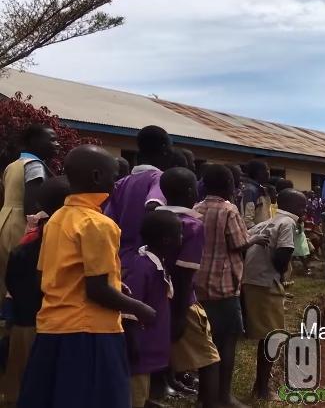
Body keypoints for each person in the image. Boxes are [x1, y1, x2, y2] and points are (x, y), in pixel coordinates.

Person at [19, 145, 156, 408]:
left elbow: (46, 276)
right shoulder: (98, 224)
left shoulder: (58, 218)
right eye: (113, 176)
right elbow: (97, 291)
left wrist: (116, 286)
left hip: (53, 327)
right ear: (96, 177)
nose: (116, 183)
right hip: (90, 332)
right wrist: (139, 308)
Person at [195, 164, 268, 408]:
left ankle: (204, 395)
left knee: (206, 343)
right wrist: (256, 238)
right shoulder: (229, 210)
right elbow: (239, 244)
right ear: (229, 186)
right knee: (227, 342)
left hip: (200, 285)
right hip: (225, 286)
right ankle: (223, 397)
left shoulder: (196, 208)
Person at [156, 167, 221, 408]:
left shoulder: (153, 218)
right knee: (209, 358)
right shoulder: (192, 226)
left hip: (156, 297)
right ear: (189, 191)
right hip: (184, 300)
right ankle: (210, 402)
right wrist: (182, 314)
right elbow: (184, 274)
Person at [2, 176, 68, 404]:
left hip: (24, 322)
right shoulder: (70, 244)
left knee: (18, 380)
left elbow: (11, 283)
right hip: (58, 325)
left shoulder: (23, 249)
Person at [244, 188, 305, 401]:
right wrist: (281, 277)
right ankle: (261, 389)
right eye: (303, 206)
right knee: (272, 336)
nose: (304, 210)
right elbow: (282, 255)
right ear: (296, 208)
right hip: (265, 283)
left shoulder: (268, 222)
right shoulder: (288, 223)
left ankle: (260, 387)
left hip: (250, 280)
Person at [123, 211, 182, 408]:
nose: (181, 238)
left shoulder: (158, 264)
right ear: (166, 240)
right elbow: (130, 307)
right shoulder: (142, 267)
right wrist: (133, 341)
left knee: (142, 387)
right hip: (141, 344)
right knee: (135, 391)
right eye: (179, 234)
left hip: (151, 343)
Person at [0, 124, 58, 301]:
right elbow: (33, 208)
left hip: (5, 221)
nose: (57, 144)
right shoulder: (35, 166)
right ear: (33, 141)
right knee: (21, 281)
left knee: (5, 278)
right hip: (22, 227)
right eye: (52, 139)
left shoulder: (13, 164)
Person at [104, 125, 173, 267]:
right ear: (165, 149)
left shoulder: (122, 182)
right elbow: (154, 205)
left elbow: (109, 218)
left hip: (118, 258)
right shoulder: (158, 178)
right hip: (145, 258)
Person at [240, 160, 271, 229]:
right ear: (258, 172)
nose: (268, 173)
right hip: (254, 236)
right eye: (266, 170)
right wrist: (260, 233)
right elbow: (247, 221)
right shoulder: (250, 190)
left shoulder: (260, 189)